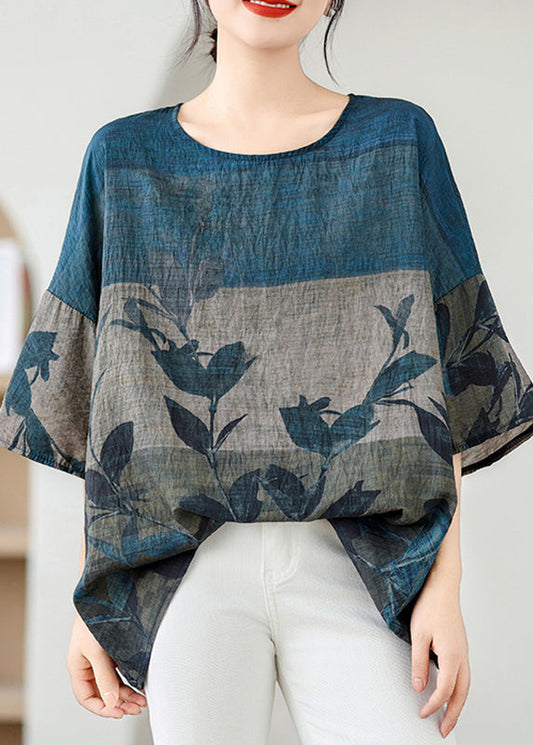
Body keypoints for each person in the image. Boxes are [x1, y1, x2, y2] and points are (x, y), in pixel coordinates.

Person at [1, 1, 532, 744]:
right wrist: (98, 599)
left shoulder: (398, 142)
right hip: (183, 575)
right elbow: (112, 409)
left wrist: (445, 585)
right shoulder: (123, 161)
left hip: (369, 569)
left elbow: (444, 383)